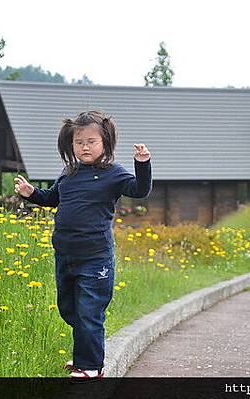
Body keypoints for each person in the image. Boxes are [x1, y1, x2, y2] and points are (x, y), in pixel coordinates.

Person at [14, 110, 152, 380]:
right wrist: (31, 193)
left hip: (95, 257)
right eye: (79, 142)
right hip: (65, 254)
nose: (85, 147)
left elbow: (140, 190)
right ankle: (83, 357)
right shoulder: (69, 173)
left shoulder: (113, 173)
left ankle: (91, 367)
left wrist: (142, 163)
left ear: (105, 143)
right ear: (71, 145)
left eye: (91, 141)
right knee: (70, 309)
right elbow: (53, 198)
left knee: (90, 311)